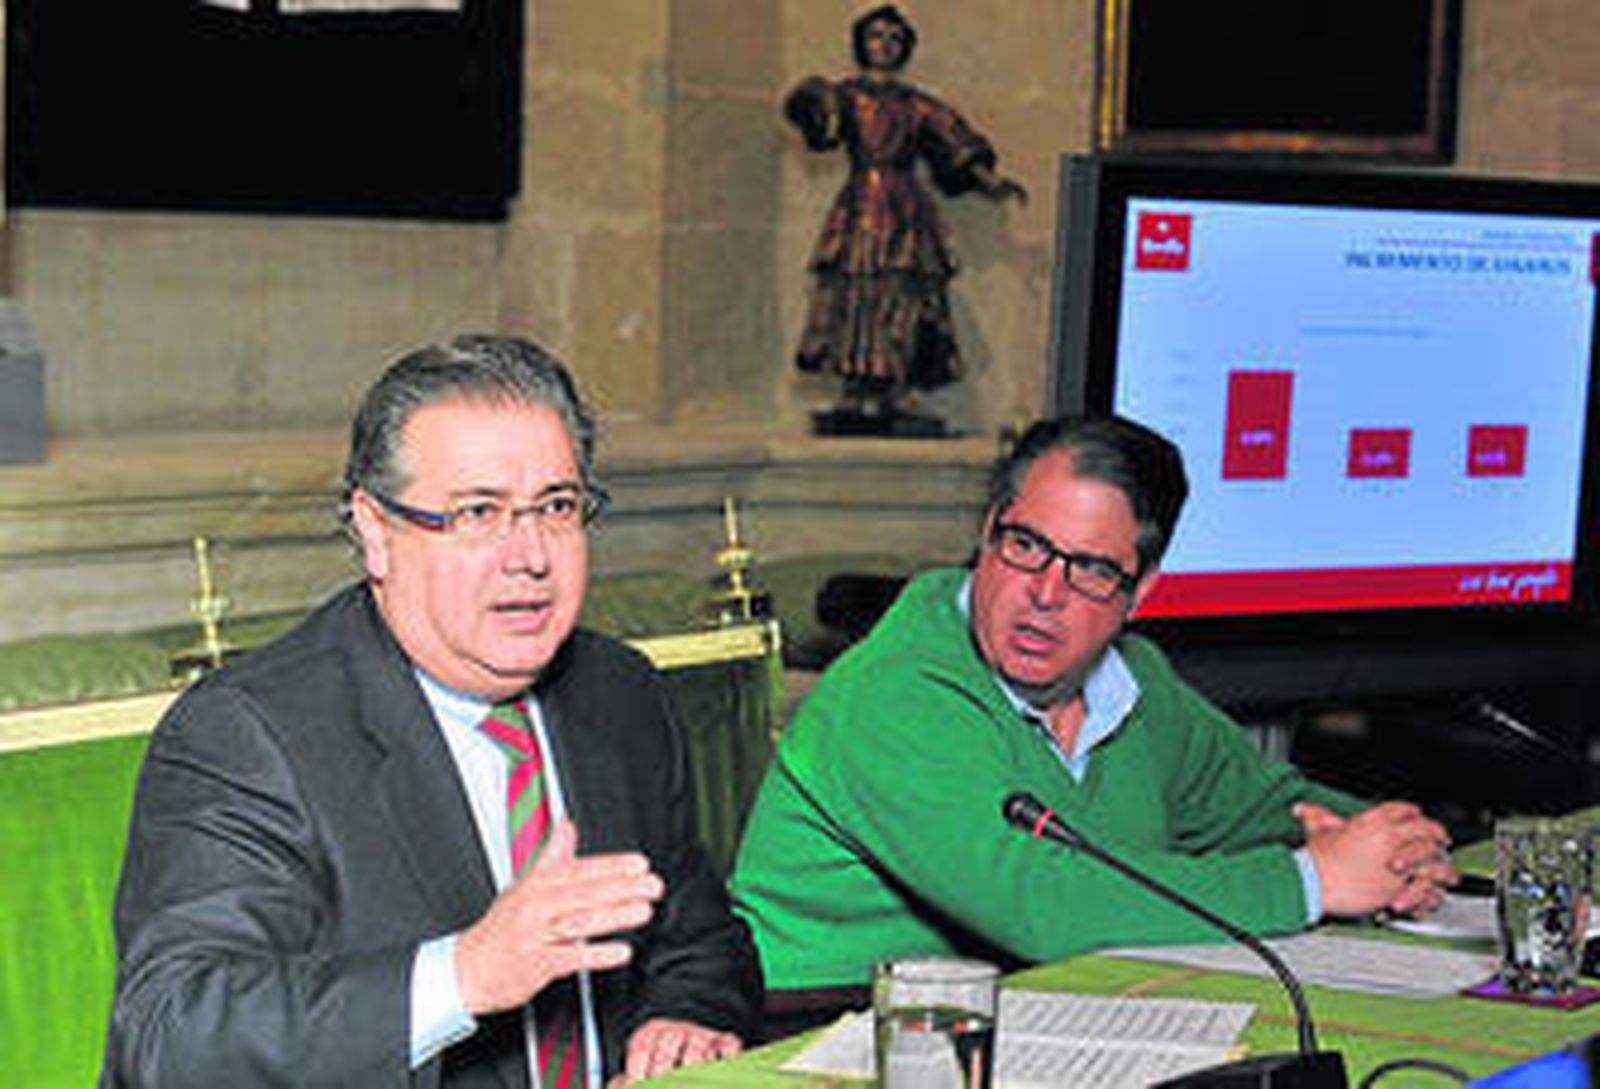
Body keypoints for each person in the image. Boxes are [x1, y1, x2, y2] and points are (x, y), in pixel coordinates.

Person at [104, 335, 761, 1086]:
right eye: (478, 512)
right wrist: (461, 975)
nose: (531, 555)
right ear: (376, 532)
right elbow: (172, 1037)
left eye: (556, 505)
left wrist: (688, 1012)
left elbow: (700, 938)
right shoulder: (251, 733)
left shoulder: (619, 692)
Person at [730, 414, 1455, 1035]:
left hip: (1037, 1007)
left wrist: (1394, 847)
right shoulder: (895, 691)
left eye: (1091, 570)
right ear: (987, 533)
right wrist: (1313, 880)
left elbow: (1264, 803)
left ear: (1141, 590)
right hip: (822, 1022)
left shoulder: (1136, 684)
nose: (1045, 593)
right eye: (1026, 546)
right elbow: (1043, 903)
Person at [786, 4, 1026, 432]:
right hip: (860, 204)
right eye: (876, 36)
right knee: (857, 291)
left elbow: (955, 145)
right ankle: (857, 389)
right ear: (862, 43)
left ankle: (894, 388)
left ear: (905, 48)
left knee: (904, 296)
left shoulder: (917, 105)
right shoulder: (847, 96)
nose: (885, 45)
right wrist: (809, 104)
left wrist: (992, 183)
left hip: (905, 207)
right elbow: (821, 128)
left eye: (894, 38)